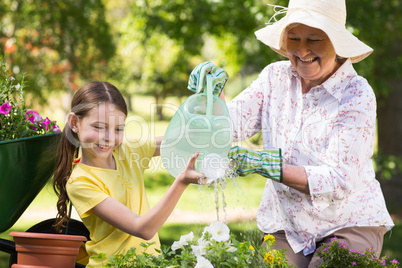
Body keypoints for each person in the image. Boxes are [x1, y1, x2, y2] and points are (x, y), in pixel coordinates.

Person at [188, 0, 394, 267]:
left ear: (336, 43)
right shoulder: (275, 77)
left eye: (315, 39)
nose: (302, 49)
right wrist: (212, 95)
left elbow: (340, 179)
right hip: (287, 224)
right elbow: (228, 128)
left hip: (349, 221)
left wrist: (268, 164)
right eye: (294, 38)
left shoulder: (356, 94)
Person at [53, 81, 207, 267]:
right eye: (99, 127)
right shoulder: (81, 182)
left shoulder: (127, 151)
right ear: (75, 123)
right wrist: (182, 181)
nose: (109, 138)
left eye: (118, 129)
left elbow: (181, 141)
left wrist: (206, 111)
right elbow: (143, 228)